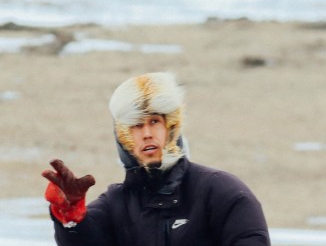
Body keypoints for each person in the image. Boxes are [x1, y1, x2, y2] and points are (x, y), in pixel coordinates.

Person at [41, 72, 270, 245]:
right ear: (123, 137)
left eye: (154, 122)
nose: (147, 133)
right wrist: (70, 216)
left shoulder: (221, 192)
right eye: (137, 126)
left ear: (171, 127)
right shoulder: (115, 205)